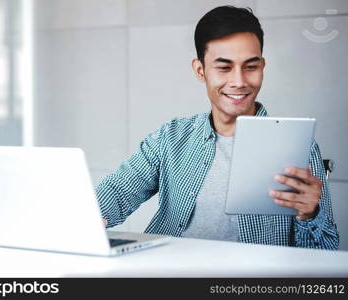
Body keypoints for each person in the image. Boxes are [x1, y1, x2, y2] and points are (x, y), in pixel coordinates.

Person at [96, 6, 339, 249]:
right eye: (224, 67)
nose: (239, 81)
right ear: (200, 70)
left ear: (262, 67)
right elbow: (116, 193)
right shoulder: (170, 139)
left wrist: (310, 214)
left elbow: (325, 250)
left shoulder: (297, 146)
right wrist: (79, 217)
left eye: (250, 67)